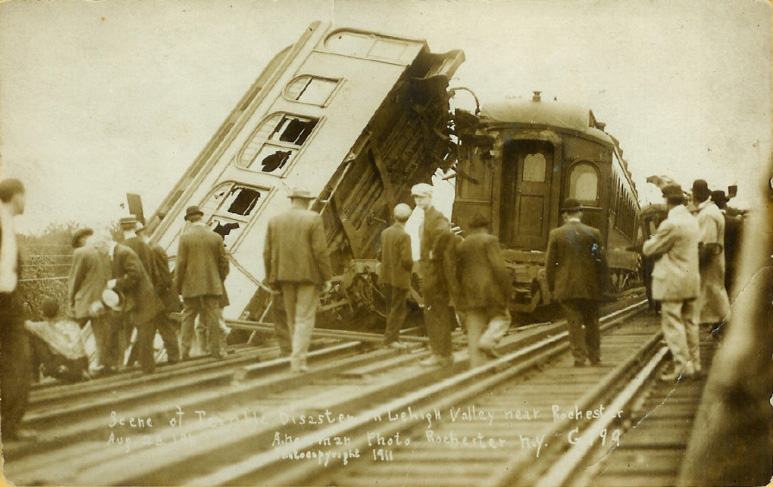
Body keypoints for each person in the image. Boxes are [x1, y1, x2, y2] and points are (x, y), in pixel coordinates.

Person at [263, 188, 333, 373]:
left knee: (292, 318)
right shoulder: (313, 219)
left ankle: (294, 356)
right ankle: (298, 361)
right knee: (304, 319)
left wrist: (272, 280)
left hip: (284, 277)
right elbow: (320, 251)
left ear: (293, 200)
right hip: (308, 277)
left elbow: (267, 254)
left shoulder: (274, 221)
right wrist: (327, 277)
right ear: (306, 201)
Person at [642, 184, 702, 381]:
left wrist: (651, 241)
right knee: (690, 323)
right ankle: (694, 364)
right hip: (691, 279)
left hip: (673, 282)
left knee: (673, 324)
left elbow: (650, 249)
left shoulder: (671, 223)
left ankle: (683, 367)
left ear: (667, 200)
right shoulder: (692, 221)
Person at [546, 198, 611, 367]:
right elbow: (601, 261)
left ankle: (579, 358)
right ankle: (595, 357)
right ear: (580, 212)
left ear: (565, 215)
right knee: (592, 321)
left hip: (566, 287)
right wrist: (604, 287)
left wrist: (552, 287)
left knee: (573, 322)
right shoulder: (594, 233)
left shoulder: (556, 234)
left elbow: (550, 265)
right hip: (590, 286)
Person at [94, 230, 161, 374]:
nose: (97, 252)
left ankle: (149, 375)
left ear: (104, 244)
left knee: (144, 340)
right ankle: (112, 367)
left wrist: (116, 283)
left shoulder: (124, 252)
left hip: (143, 301)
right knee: (117, 331)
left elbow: (135, 274)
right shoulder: (113, 254)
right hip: (131, 303)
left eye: (97, 248)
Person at [452, 214, 511, 368]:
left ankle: (476, 369)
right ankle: (488, 341)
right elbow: (498, 267)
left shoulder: (462, 245)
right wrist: (507, 290)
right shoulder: (490, 240)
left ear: (470, 228)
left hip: (470, 293)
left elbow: (457, 273)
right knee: (502, 318)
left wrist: (461, 294)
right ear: (486, 226)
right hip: (490, 291)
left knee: (474, 329)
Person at [0, 178, 34, 441]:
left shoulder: (7, 224)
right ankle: (10, 425)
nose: (26, 201)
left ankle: (10, 424)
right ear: (15, 196)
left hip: (9, 301)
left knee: (18, 362)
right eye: (24, 195)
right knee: (17, 361)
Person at [175, 205, 229, 360]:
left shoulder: (185, 238)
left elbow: (180, 265)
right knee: (212, 317)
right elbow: (224, 264)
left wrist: (178, 288)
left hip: (191, 287)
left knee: (188, 317)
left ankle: (184, 353)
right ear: (201, 218)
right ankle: (215, 351)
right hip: (212, 286)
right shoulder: (216, 237)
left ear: (189, 220)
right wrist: (217, 280)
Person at [412, 183, 455, 368]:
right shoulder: (427, 217)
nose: (418, 200)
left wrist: (434, 255)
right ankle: (443, 354)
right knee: (437, 314)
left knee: (435, 314)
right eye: (416, 197)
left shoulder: (436, 217)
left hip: (435, 275)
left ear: (430, 197)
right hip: (432, 273)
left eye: (421, 197)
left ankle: (440, 354)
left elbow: (445, 233)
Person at [68, 227, 114, 373]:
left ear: (81, 241)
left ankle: (70, 365)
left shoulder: (81, 252)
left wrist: (71, 301)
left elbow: (75, 279)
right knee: (101, 337)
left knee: (72, 334)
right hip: (101, 301)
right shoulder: (104, 252)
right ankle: (101, 365)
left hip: (83, 302)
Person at [136, 223, 181, 364]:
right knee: (154, 330)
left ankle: (174, 360)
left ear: (141, 234)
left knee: (166, 329)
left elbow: (165, 278)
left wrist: (152, 295)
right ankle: (148, 361)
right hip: (157, 299)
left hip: (162, 299)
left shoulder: (154, 250)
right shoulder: (149, 249)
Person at [691, 180, 731, 332]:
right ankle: (721, 329)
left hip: (709, 267)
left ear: (696, 194)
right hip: (713, 267)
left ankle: (724, 330)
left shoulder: (707, 214)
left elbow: (707, 246)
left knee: (715, 299)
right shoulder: (711, 211)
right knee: (715, 298)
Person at [26, 297, 90, 383]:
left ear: (43, 315)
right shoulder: (72, 324)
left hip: (64, 365)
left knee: (33, 337)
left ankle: (35, 377)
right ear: (58, 311)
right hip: (82, 363)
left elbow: (22, 325)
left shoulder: (43, 327)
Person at [378, 203, 414, 349]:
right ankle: (390, 340)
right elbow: (407, 260)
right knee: (398, 310)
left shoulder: (385, 233)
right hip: (399, 279)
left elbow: (380, 255)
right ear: (408, 218)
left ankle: (393, 338)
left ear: (394, 216)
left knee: (389, 309)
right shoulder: (404, 236)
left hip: (385, 278)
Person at [710, 189, 742, 297]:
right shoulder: (735, 222)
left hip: (712, 265)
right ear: (724, 203)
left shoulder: (708, 221)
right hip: (730, 263)